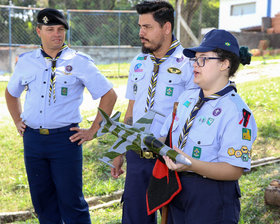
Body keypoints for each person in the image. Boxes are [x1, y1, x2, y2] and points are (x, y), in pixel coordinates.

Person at [5, 8, 117, 223]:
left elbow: (109, 95)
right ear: (38, 31)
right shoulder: (27, 61)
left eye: (60, 29)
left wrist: (93, 130)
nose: (56, 34)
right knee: (42, 202)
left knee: (72, 202)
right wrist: (17, 120)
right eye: (50, 29)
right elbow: (11, 93)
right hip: (34, 140)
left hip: (65, 140)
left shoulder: (80, 61)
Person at [110, 1, 197, 223]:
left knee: (175, 218)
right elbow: (131, 110)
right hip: (137, 157)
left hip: (170, 158)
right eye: (140, 26)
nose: (141, 32)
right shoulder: (139, 62)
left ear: (166, 28)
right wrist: (120, 150)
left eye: (147, 27)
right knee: (134, 218)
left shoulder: (189, 63)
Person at [160, 29, 257, 223]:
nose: (195, 64)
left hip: (212, 196)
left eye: (203, 59)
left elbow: (233, 170)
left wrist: (190, 164)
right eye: (195, 59)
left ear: (225, 64)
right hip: (177, 190)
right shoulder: (187, 97)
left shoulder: (237, 112)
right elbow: (168, 137)